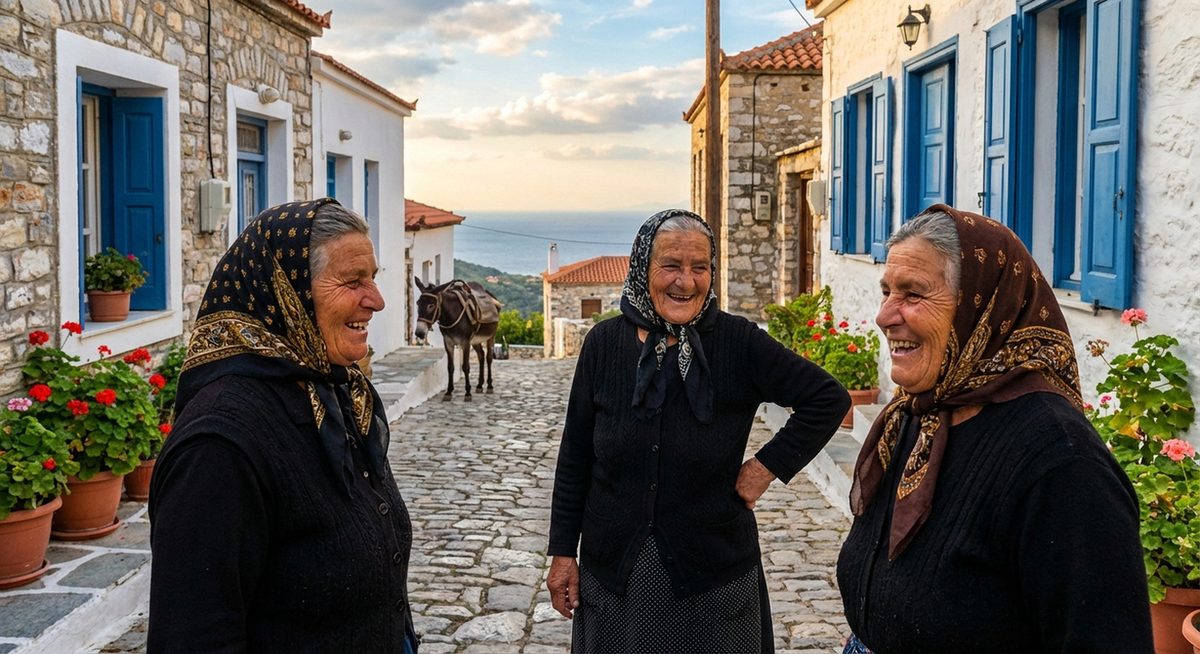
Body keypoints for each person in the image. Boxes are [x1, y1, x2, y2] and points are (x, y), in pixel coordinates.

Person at [836, 205, 1153, 653]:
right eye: (887, 292)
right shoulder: (919, 413)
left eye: (913, 294)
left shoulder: (1062, 464)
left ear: (983, 305)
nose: (885, 316)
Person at [547, 209, 850, 653]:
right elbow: (575, 454)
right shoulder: (604, 345)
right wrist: (561, 553)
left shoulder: (737, 343)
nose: (685, 282)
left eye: (700, 267)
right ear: (642, 267)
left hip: (713, 579)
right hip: (614, 574)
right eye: (670, 265)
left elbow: (827, 399)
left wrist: (764, 468)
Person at [148, 199, 418, 652]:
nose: (376, 299)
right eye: (352, 281)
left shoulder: (335, 390)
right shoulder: (220, 446)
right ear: (284, 290)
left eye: (373, 277)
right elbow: (194, 636)